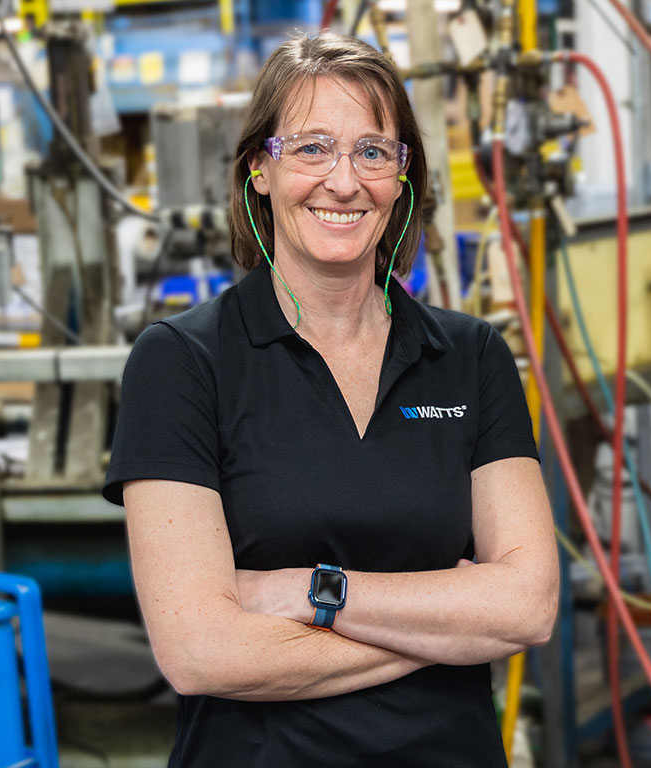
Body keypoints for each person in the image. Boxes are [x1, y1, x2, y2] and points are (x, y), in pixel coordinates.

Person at [103, 32, 558, 767]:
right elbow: (199, 651)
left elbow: (529, 606)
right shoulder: (184, 362)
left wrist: (317, 592)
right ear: (259, 167)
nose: (344, 181)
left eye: (374, 151)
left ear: (402, 177)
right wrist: (453, 623)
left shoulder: (470, 357)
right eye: (312, 148)